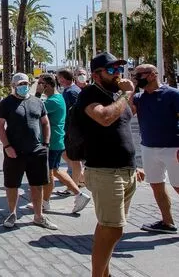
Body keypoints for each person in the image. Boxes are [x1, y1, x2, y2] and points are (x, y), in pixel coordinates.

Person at [77, 52, 145, 277]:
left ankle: (104, 273)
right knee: (113, 229)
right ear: (96, 75)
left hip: (126, 170)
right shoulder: (89, 94)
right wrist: (126, 95)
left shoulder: (117, 96)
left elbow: (124, 129)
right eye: (112, 70)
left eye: (119, 69)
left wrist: (137, 164)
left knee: (109, 227)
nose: (118, 74)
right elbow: (104, 118)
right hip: (105, 171)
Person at [0, 73, 57, 230]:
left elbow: (45, 123)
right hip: (14, 152)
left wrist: (46, 144)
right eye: (20, 84)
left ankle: (39, 216)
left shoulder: (37, 102)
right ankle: (12, 213)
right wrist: (7, 146)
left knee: (37, 185)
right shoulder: (6, 103)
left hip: (37, 150)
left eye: (26, 83)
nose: (24, 86)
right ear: (14, 86)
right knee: (12, 184)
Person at [130, 64, 179, 234]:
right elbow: (128, 113)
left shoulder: (173, 94)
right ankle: (168, 222)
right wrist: (130, 91)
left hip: (174, 148)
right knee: (156, 185)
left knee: (178, 185)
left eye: (138, 75)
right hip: (149, 147)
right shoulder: (139, 97)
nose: (135, 79)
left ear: (151, 75)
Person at [35, 74, 91, 214]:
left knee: (49, 174)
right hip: (56, 141)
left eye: (40, 83)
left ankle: (46, 203)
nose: (38, 86)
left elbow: (33, 110)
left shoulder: (53, 101)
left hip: (52, 142)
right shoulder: (57, 98)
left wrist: (37, 93)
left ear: (46, 85)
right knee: (55, 171)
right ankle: (79, 195)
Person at [57, 68, 84, 186]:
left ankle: (76, 181)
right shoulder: (71, 90)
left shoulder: (71, 92)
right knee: (67, 154)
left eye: (59, 78)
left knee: (72, 157)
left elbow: (76, 111)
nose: (58, 80)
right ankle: (79, 177)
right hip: (70, 128)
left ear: (63, 78)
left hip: (72, 129)